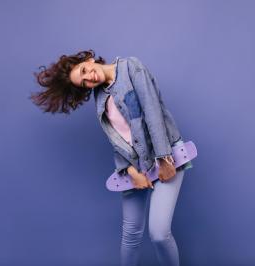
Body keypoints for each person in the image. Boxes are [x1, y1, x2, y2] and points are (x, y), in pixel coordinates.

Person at [31, 49, 193, 266]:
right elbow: (117, 141)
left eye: (84, 70)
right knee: (131, 235)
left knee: (159, 234)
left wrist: (164, 159)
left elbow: (153, 112)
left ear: (87, 60)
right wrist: (131, 171)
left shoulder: (131, 67)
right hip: (135, 166)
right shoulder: (99, 97)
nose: (89, 78)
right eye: (84, 82)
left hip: (166, 154)